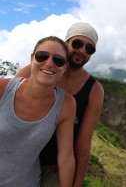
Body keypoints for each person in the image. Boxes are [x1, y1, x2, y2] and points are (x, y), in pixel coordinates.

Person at [17, 22, 104, 187]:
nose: (82, 51)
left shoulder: (94, 90)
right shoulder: (35, 70)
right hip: (24, 159)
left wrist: (76, 183)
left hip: (55, 167)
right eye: (77, 43)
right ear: (66, 43)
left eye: (89, 49)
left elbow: (83, 144)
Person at [0, 36, 76, 187]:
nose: (49, 63)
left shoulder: (66, 104)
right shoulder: (3, 89)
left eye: (58, 60)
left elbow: (66, 157)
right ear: (32, 58)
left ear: (64, 67)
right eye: (42, 56)